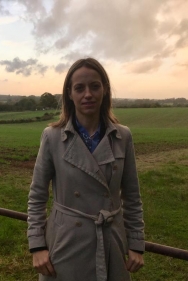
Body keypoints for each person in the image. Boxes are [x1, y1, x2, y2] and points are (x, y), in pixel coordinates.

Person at [27, 58, 145, 281]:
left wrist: (137, 243)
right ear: (69, 94)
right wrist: (37, 246)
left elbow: (132, 196)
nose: (87, 94)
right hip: (65, 243)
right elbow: (37, 196)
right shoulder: (52, 137)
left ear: (105, 90)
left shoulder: (123, 137)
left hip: (111, 241)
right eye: (79, 88)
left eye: (94, 86)